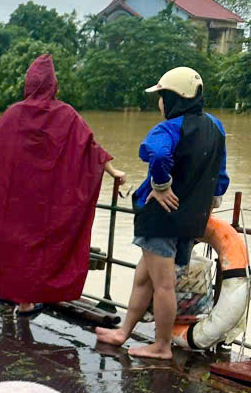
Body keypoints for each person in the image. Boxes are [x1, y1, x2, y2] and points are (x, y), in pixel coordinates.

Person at [97, 66, 228, 360]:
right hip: (189, 220)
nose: (159, 102)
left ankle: (161, 346)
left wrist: (160, 184)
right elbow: (220, 172)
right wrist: (212, 198)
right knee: (143, 279)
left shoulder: (167, 129)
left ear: (174, 98)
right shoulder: (216, 126)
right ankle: (123, 333)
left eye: (162, 96)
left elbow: (157, 154)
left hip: (160, 218)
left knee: (163, 285)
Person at [0, 53, 125, 316]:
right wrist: (113, 171)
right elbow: (90, 150)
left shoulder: (13, 114)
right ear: (53, 84)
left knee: (18, 243)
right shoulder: (67, 115)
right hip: (47, 202)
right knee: (48, 244)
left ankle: (22, 300)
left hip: (18, 200)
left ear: (28, 83)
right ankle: (34, 298)